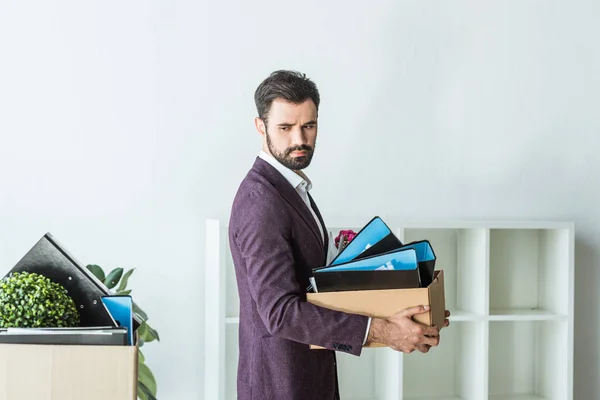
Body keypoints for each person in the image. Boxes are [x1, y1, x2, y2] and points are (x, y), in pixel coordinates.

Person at [228, 70, 450, 400]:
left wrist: (406, 309)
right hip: (280, 384)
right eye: (285, 128)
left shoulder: (291, 188)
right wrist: (385, 331)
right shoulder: (261, 203)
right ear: (260, 127)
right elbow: (279, 312)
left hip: (309, 375)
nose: (298, 139)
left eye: (308, 126)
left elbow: (308, 283)